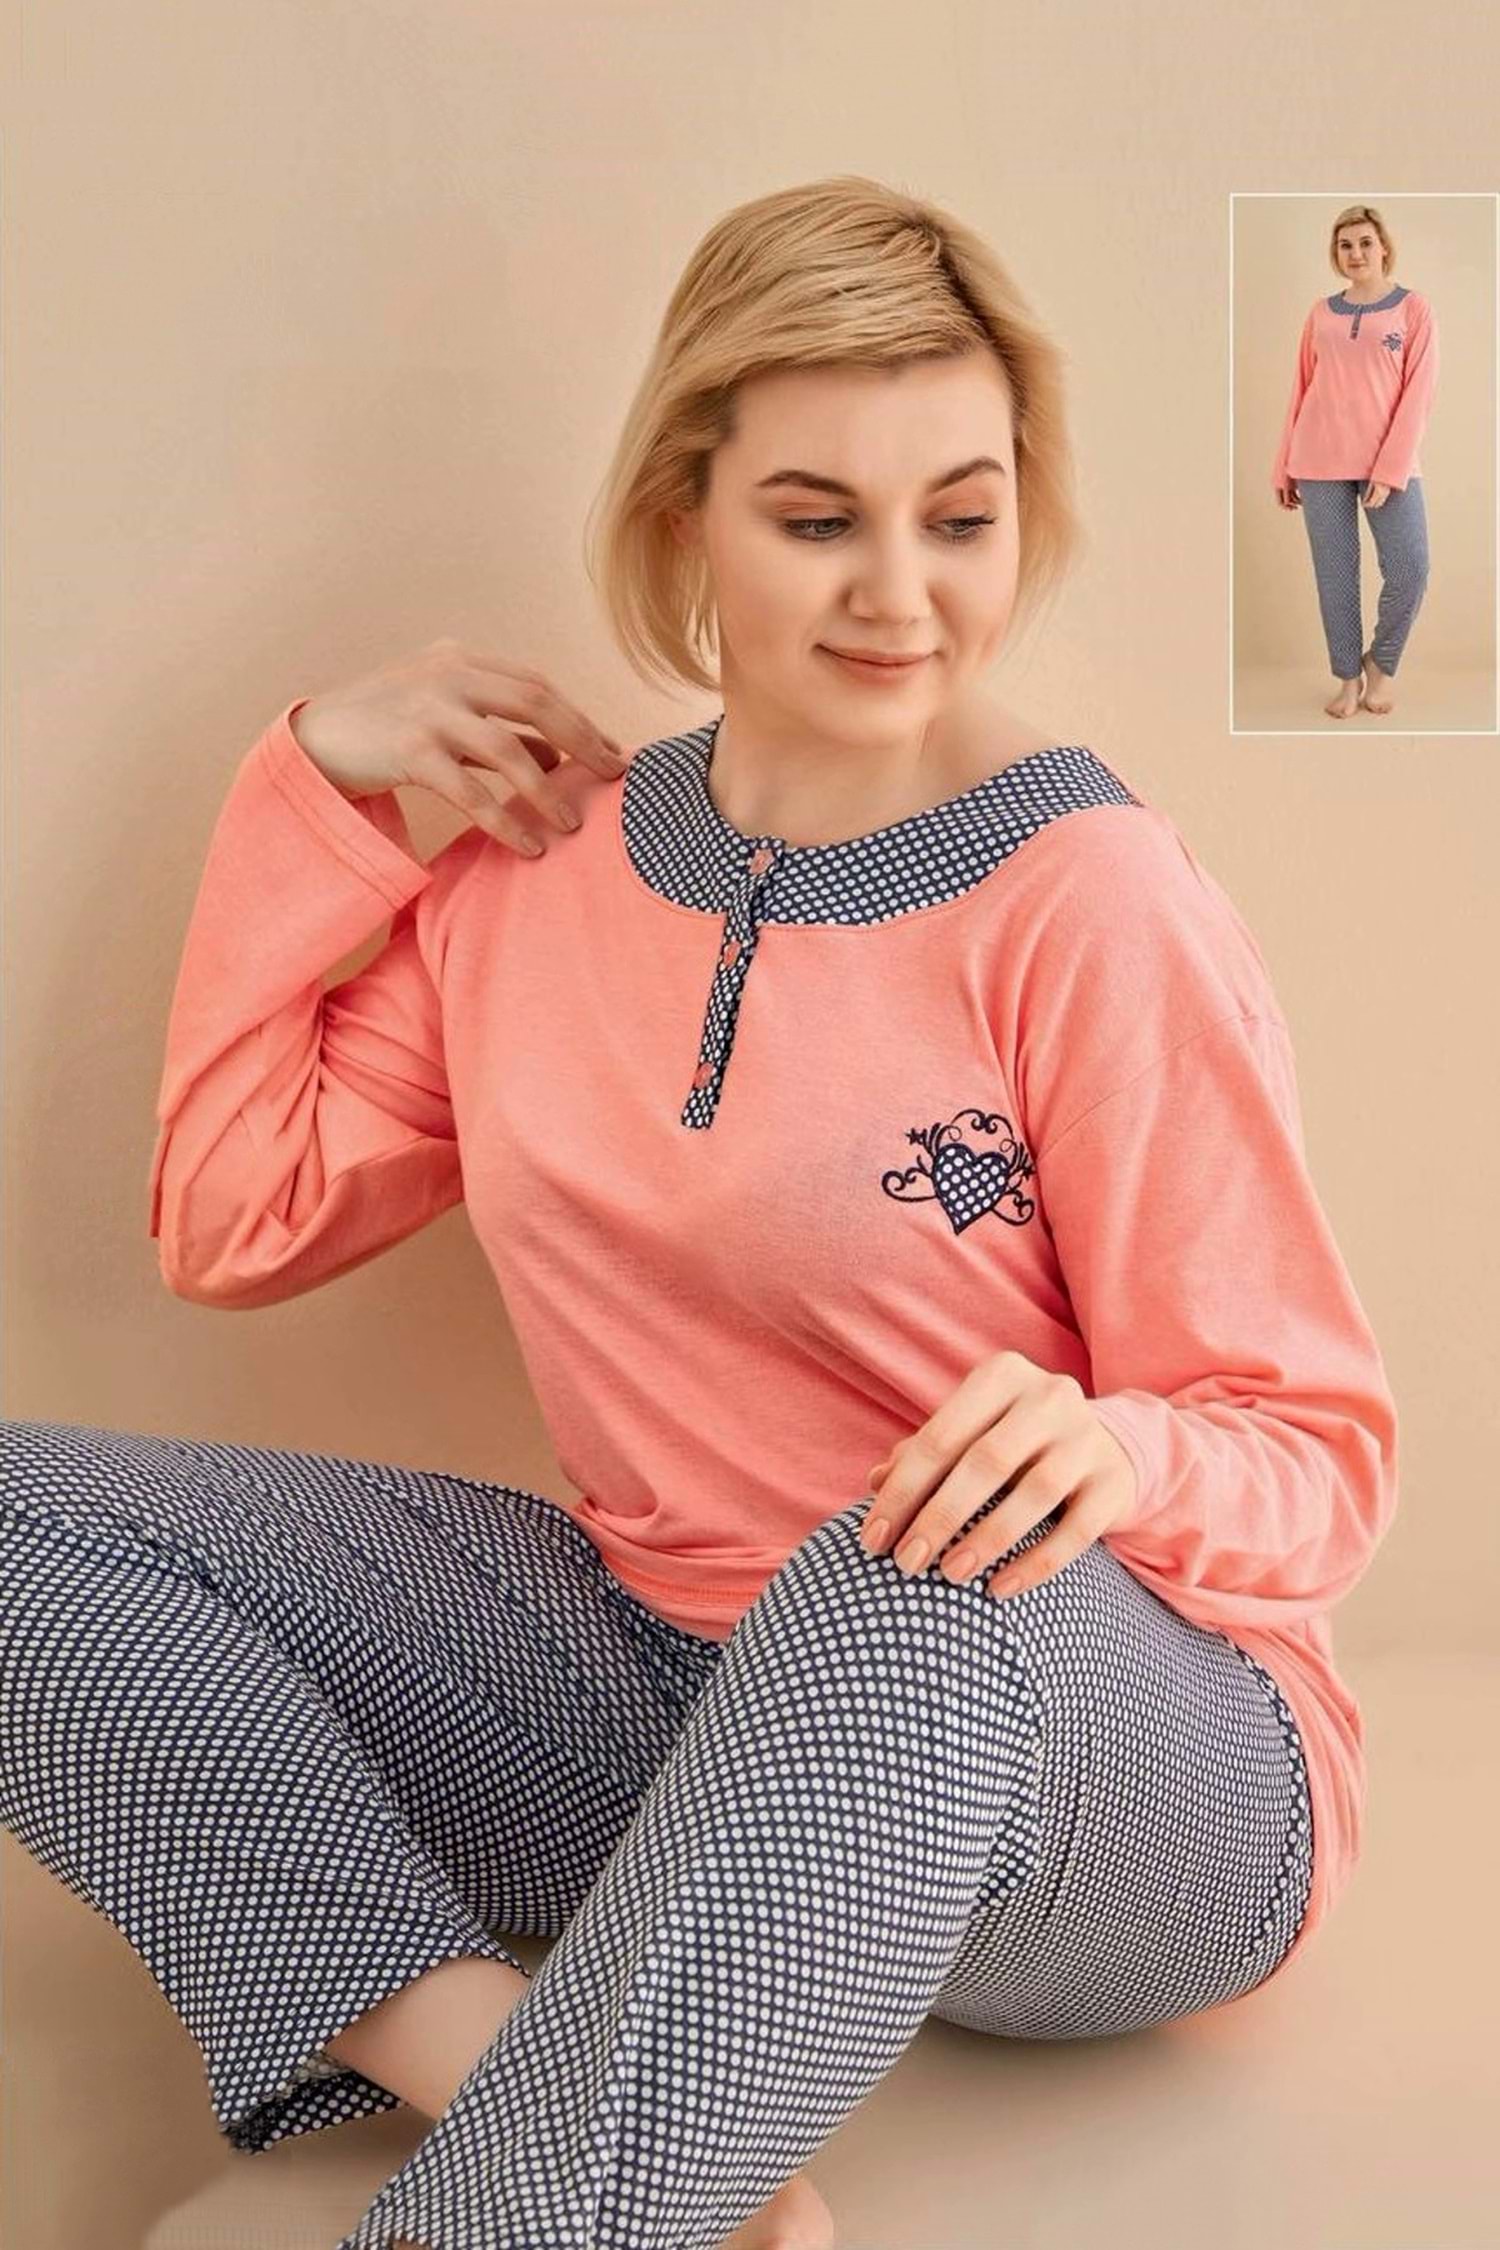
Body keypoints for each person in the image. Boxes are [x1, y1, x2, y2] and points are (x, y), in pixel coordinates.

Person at [1, 174, 1398, 2250]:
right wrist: (314, 790)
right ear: (686, 516)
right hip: (675, 1701)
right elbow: (231, 1217)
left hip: (1122, 1765)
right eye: (818, 519)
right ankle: (546, 2088)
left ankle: (510, 2211)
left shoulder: (1090, 897)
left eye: (961, 518)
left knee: (900, 1567)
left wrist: (1115, 1450)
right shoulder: (539, 871)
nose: (902, 597)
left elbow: (1318, 1454)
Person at [1272, 203, 1438, 720]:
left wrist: (1389, 470)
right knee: (1336, 576)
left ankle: (1379, 665)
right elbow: (1301, 387)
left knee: (1411, 569)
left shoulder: (1413, 309)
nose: (1356, 253)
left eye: (1365, 242)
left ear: (1383, 247)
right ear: (1336, 254)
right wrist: (1284, 465)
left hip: (1388, 463)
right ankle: (1347, 678)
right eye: (1346, 245)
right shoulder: (1321, 313)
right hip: (1317, 459)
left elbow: (1419, 394)